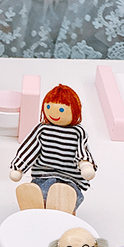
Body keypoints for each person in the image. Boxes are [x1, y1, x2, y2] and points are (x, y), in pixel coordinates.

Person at [10, 84, 96, 212]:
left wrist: (86, 166)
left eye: (61, 110)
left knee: (66, 192)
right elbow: (30, 148)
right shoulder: (42, 130)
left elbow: (82, 151)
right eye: (49, 107)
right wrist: (19, 167)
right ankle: (36, 203)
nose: (54, 113)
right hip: (44, 176)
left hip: (69, 179)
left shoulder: (77, 132)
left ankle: (59, 205)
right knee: (43, 189)